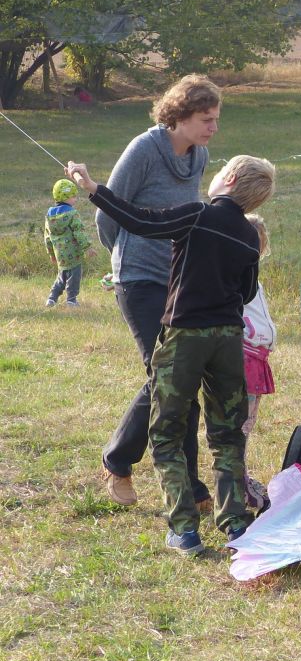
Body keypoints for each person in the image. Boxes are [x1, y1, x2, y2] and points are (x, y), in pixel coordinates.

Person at [67, 154, 276, 556]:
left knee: (167, 432)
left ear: (230, 179)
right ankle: (235, 524)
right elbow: (248, 291)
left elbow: (143, 222)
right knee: (227, 435)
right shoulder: (249, 236)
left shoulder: (198, 214)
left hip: (184, 337)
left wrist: (93, 190)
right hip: (228, 340)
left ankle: (184, 530)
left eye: (220, 171)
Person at [96, 74, 221, 508]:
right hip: (137, 279)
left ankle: (191, 485)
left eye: (215, 119)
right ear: (179, 116)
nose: (213, 127)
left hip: (179, 279)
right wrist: (122, 259)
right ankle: (118, 461)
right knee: (166, 374)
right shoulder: (144, 149)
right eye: (205, 119)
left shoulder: (199, 156)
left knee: (183, 377)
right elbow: (107, 209)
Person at [241, 214, 276, 511]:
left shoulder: (255, 279)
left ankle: (239, 476)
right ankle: (238, 482)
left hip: (257, 355)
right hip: (246, 356)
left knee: (247, 422)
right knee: (241, 423)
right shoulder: (236, 278)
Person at [44, 178, 96, 308]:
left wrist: (51, 254)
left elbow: (47, 237)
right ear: (66, 197)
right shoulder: (72, 213)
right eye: (73, 196)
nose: (75, 199)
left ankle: (52, 298)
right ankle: (71, 300)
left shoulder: (49, 215)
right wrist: (87, 247)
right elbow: (79, 232)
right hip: (74, 253)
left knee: (61, 276)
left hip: (59, 254)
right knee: (74, 276)